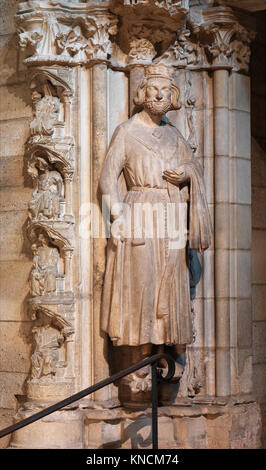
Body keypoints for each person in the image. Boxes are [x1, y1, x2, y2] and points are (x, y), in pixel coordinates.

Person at [99, 64, 212, 361]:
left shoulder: (174, 135)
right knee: (143, 279)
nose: (159, 95)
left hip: (172, 210)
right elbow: (107, 178)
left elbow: (195, 167)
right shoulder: (127, 131)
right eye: (153, 89)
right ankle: (141, 353)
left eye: (165, 90)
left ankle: (164, 347)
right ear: (143, 93)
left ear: (172, 95)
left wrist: (187, 174)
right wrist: (119, 217)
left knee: (171, 276)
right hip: (141, 208)